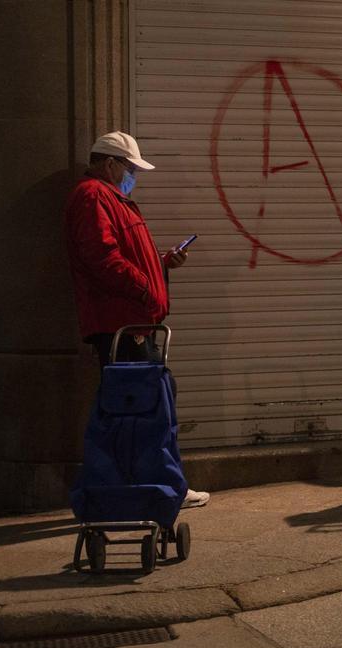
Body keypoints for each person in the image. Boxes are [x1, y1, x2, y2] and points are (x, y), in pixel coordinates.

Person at [64, 131, 209, 509]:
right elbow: (102, 258)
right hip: (121, 325)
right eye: (130, 168)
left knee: (153, 400)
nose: (133, 176)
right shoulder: (94, 196)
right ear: (110, 164)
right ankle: (157, 487)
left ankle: (157, 485)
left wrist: (161, 265)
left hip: (134, 322)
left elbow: (121, 258)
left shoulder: (114, 199)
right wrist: (146, 286)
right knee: (143, 407)